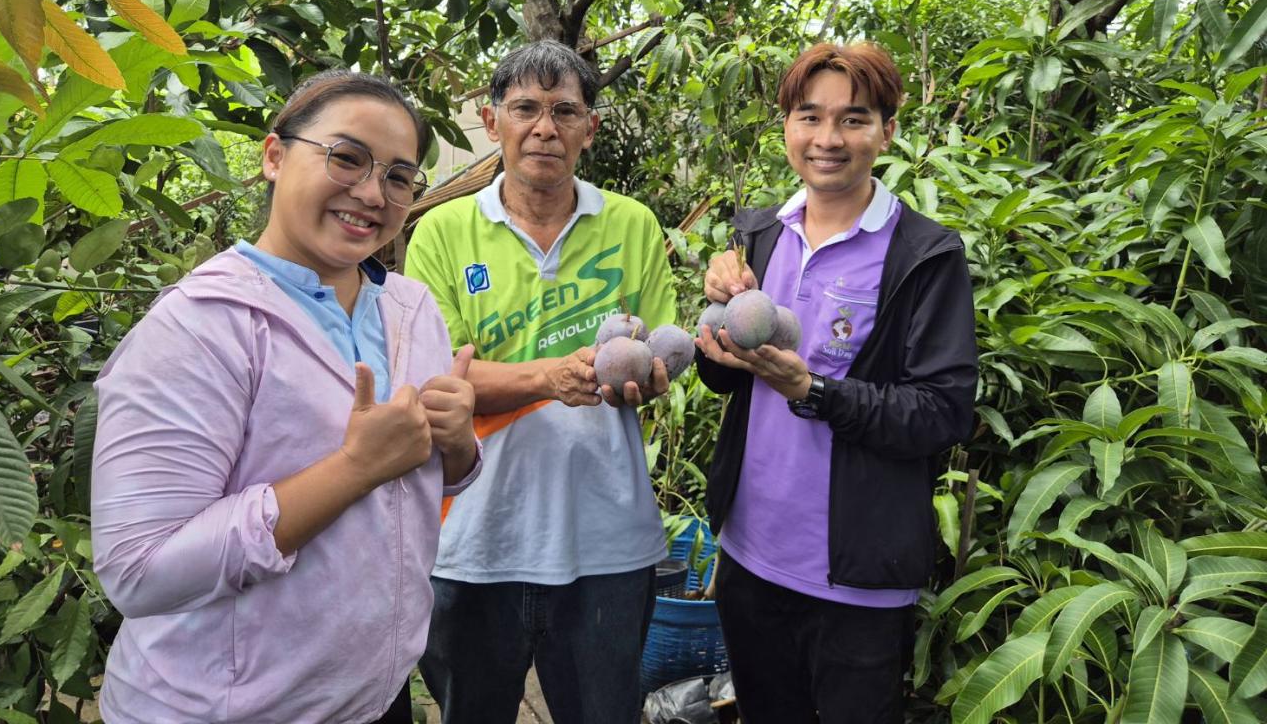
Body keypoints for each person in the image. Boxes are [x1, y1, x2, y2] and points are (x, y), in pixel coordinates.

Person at [92, 70, 481, 724]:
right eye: (347, 157)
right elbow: (140, 571)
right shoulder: (198, 328)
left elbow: (418, 488)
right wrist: (353, 469)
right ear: (275, 155)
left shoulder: (411, 309)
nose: (371, 192)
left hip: (375, 697)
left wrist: (458, 444)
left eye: (397, 176)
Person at [695, 42, 978, 723]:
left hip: (858, 581)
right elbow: (722, 379)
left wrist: (813, 392)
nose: (828, 139)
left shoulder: (924, 255)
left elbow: (941, 413)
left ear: (887, 129)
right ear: (786, 126)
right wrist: (716, 342)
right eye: (809, 116)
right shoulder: (760, 235)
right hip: (751, 557)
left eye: (853, 120)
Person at [405, 40, 676, 724]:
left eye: (565, 110)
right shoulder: (441, 232)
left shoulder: (633, 225)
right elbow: (439, 380)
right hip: (472, 539)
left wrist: (648, 378)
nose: (545, 128)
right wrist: (550, 378)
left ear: (590, 126)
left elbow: (659, 353)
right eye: (525, 108)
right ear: (491, 120)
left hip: (608, 540)